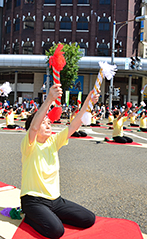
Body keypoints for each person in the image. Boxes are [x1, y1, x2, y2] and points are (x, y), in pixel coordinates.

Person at [20, 84, 97, 239]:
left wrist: (89, 102)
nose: (48, 124)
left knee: (88, 219)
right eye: (44, 122)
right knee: (56, 231)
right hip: (33, 200)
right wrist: (49, 99)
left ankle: (48, 215)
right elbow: (34, 128)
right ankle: (29, 217)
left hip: (56, 200)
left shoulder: (53, 142)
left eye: (49, 122)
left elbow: (75, 124)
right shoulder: (29, 144)